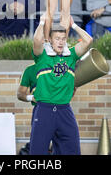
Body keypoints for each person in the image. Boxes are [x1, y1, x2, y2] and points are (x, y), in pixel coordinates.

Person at [29, 14, 93, 155]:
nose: (60, 42)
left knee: (72, 150)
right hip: (44, 109)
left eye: (63, 39)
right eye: (57, 38)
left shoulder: (71, 55)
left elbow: (88, 40)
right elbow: (36, 40)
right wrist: (42, 23)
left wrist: (74, 25)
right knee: (37, 152)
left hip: (65, 110)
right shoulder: (42, 55)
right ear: (50, 39)